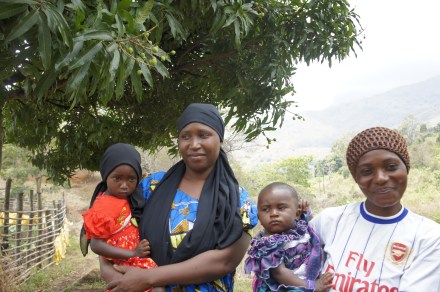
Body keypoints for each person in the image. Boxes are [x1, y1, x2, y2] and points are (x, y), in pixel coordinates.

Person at [102, 103, 258, 291]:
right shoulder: (150, 187)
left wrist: (150, 278)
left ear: (220, 139)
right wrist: (115, 276)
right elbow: (110, 228)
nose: (193, 144)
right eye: (185, 137)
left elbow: (225, 262)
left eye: (203, 135)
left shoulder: (238, 201)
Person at [309, 126, 440, 291]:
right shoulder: (329, 220)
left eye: (391, 167)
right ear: (356, 178)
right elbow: (292, 261)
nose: (381, 178)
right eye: (367, 171)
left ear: (406, 169)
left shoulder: (429, 237)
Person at [81, 143, 164, 292]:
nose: (124, 185)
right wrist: (133, 253)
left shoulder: (130, 199)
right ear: (106, 176)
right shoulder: (103, 205)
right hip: (125, 265)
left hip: (134, 260)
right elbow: (96, 245)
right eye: (117, 178)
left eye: (131, 179)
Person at [245, 182, 333, 292]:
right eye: (266, 209)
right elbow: (280, 274)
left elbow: (311, 229)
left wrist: (307, 212)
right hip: (288, 286)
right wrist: (312, 285)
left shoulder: (298, 226)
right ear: (258, 217)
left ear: (297, 212)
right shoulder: (266, 244)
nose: (273, 214)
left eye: (281, 208)